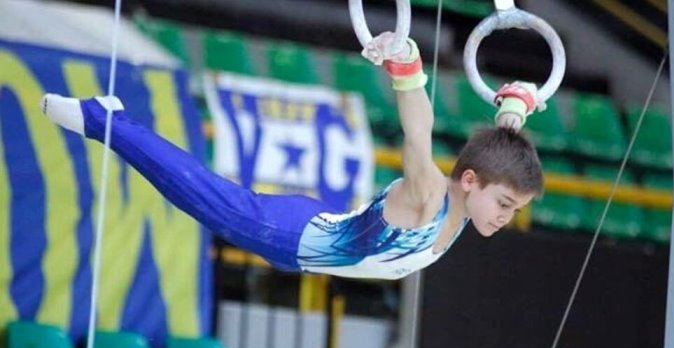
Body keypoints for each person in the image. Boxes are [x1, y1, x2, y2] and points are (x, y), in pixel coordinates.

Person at [40, 33, 542, 280]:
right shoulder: (431, 197)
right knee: (191, 189)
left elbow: (498, 155)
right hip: (286, 235)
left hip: (313, 226)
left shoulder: (473, 188)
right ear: (471, 181)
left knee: (193, 192)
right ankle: (101, 119)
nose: (505, 218)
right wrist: (407, 70)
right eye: (504, 204)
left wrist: (514, 109)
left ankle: (107, 121)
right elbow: (418, 132)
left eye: (513, 210)